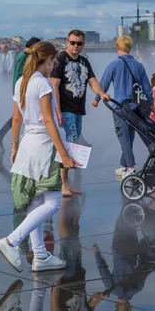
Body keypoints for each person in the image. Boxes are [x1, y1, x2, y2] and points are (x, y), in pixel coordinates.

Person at [0, 41, 80, 273]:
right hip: (44, 145)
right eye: (54, 60)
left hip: (28, 144)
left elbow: (15, 119)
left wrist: (14, 147)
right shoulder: (42, 84)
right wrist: (64, 153)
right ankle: (12, 241)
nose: (55, 64)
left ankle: (40, 255)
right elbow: (49, 120)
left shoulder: (22, 82)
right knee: (52, 203)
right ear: (48, 59)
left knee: (36, 202)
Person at [50, 29, 110, 196]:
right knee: (70, 144)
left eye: (79, 43)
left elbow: (92, 81)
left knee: (74, 146)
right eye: (72, 42)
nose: (75, 46)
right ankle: (62, 184)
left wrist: (102, 93)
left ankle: (66, 183)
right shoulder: (60, 59)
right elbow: (54, 85)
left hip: (78, 109)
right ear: (67, 42)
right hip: (65, 108)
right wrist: (58, 111)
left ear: (83, 45)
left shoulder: (84, 61)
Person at [92, 35, 155, 179]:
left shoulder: (114, 65)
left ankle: (131, 167)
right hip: (135, 108)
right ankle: (123, 165)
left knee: (123, 137)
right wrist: (150, 103)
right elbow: (147, 87)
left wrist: (96, 99)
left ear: (117, 47)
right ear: (130, 47)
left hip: (120, 107)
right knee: (130, 136)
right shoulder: (139, 66)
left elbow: (104, 84)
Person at [0, 37, 41, 151]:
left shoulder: (23, 55)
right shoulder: (23, 56)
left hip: (19, 89)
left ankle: (0, 137)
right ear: (33, 46)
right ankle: (0, 137)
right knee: (18, 117)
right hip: (21, 90)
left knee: (19, 116)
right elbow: (20, 75)